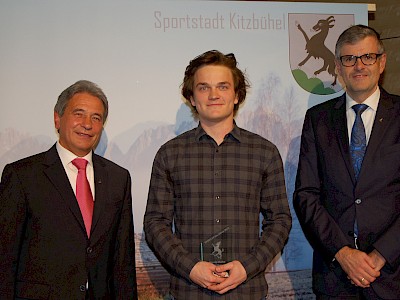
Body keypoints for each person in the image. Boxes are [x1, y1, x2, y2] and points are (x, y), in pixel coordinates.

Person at [144, 50, 292, 299]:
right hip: (189, 292)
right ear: (191, 97)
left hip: (247, 291)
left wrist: (247, 267)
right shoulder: (169, 154)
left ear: (236, 95)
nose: (213, 95)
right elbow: (155, 223)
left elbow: (279, 221)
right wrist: (190, 267)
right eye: (203, 88)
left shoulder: (265, 152)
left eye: (223, 86)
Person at [0, 80, 137, 299]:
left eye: (96, 117)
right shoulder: (22, 176)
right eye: (79, 114)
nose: (87, 124)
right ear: (57, 118)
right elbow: (5, 259)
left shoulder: (118, 178)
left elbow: (123, 263)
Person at [294, 25, 400, 299]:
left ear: (382, 62)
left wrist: (380, 256)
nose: (359, 65)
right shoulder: (318, 120)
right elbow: (306, 195)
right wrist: (342, 253)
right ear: (338, 67)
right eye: (349, 59)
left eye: (367, 57)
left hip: (392, 276)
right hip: (335, 278)